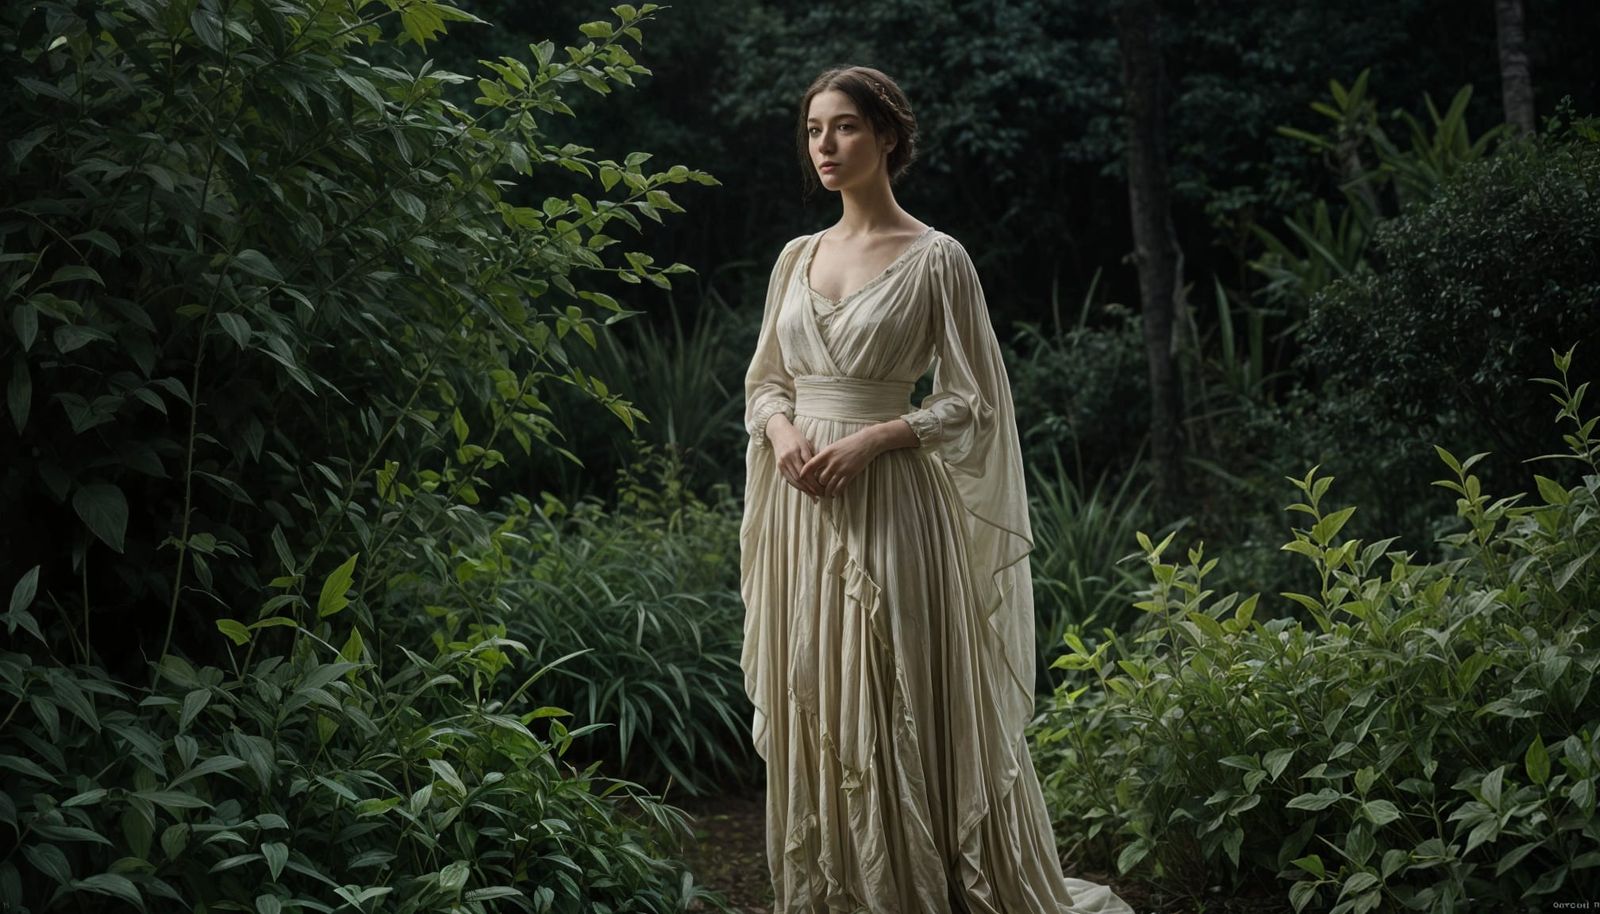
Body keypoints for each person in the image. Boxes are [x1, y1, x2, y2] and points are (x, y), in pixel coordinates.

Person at [739, 65, 1137, 914]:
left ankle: (919, 887)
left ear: (888, 136)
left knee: (896, 689)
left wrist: (879, 437)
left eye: (845, 127)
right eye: (813, 130)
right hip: (804, 510)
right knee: (820, 687)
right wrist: (781, 433)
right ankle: (842, 889)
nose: (824, 146)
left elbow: (971, 398)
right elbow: (766, 381)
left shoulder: (937, 258)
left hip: (894, 504)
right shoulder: (795, 258)